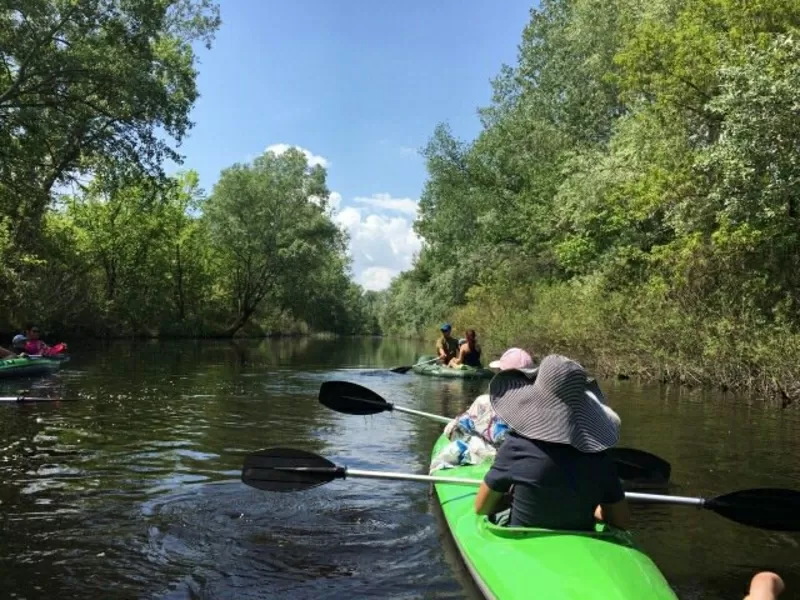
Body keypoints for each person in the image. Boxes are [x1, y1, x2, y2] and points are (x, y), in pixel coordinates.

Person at [474, 354, 629, 530]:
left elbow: (481, 507)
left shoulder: (516, 446)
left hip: (523, 542)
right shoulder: (600, 457)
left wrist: (510, 500)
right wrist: (594, 510)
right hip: (581, 537)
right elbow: (621, 521)